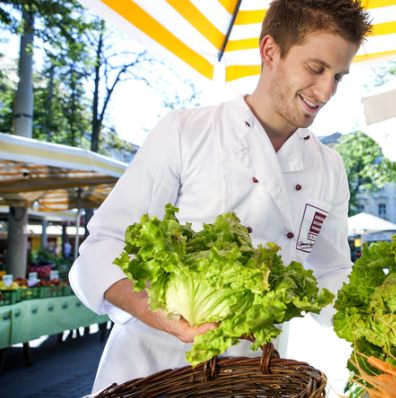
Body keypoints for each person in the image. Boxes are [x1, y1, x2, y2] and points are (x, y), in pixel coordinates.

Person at [68, 0, 371, 393]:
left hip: (253, 376)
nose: (327, 91)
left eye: (339, 76)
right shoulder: (185, 132)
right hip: (149, 371)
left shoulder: (328, 167)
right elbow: (101, 248)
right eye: (316, 69)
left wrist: (379, 324)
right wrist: (163, 316)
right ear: (270, 52)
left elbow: (330, 272)